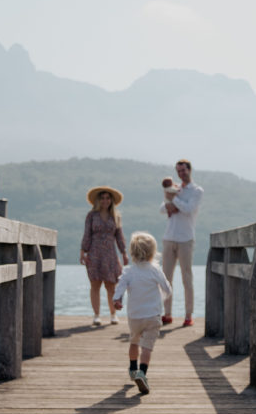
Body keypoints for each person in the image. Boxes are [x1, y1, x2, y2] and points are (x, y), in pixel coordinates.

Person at [112, 231, 172, 395]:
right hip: (152, 315)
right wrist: (163, 297)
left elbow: (120, 287)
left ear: (132, 253)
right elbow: (167, 288)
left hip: (135, 316)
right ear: (153, 253)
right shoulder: (155, 270)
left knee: (134, 341)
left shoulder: (129, 271)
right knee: (147, 347)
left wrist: (117, 299)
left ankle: (132, 369)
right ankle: (142, 373)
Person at [159, 159, 203, 327]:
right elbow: (162, 208)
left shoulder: (196, 191)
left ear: (189, 170)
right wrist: (172, 198)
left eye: (183, 170)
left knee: (187, 278)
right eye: (178, 171)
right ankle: (167, 313)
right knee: (166, 278)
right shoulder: (174, 189)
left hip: (186, 238)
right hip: (169, 237)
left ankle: (188, 315)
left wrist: (174, 199)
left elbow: (188, 209)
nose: (181, 173)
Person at [80, 186, 128, 326]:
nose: (105, 201)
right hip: (94, 252)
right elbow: (87, 234)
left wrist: (124, 252)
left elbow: (119, 236)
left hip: (110, 253)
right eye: (102, 198)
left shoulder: (116, 216)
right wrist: (83, 251)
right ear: (98, 200)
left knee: (111, 285)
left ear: (111, 200)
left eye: (107, 198)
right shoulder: (91, 215)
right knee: (95, 284)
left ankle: (113, 314)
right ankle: (96, 315)